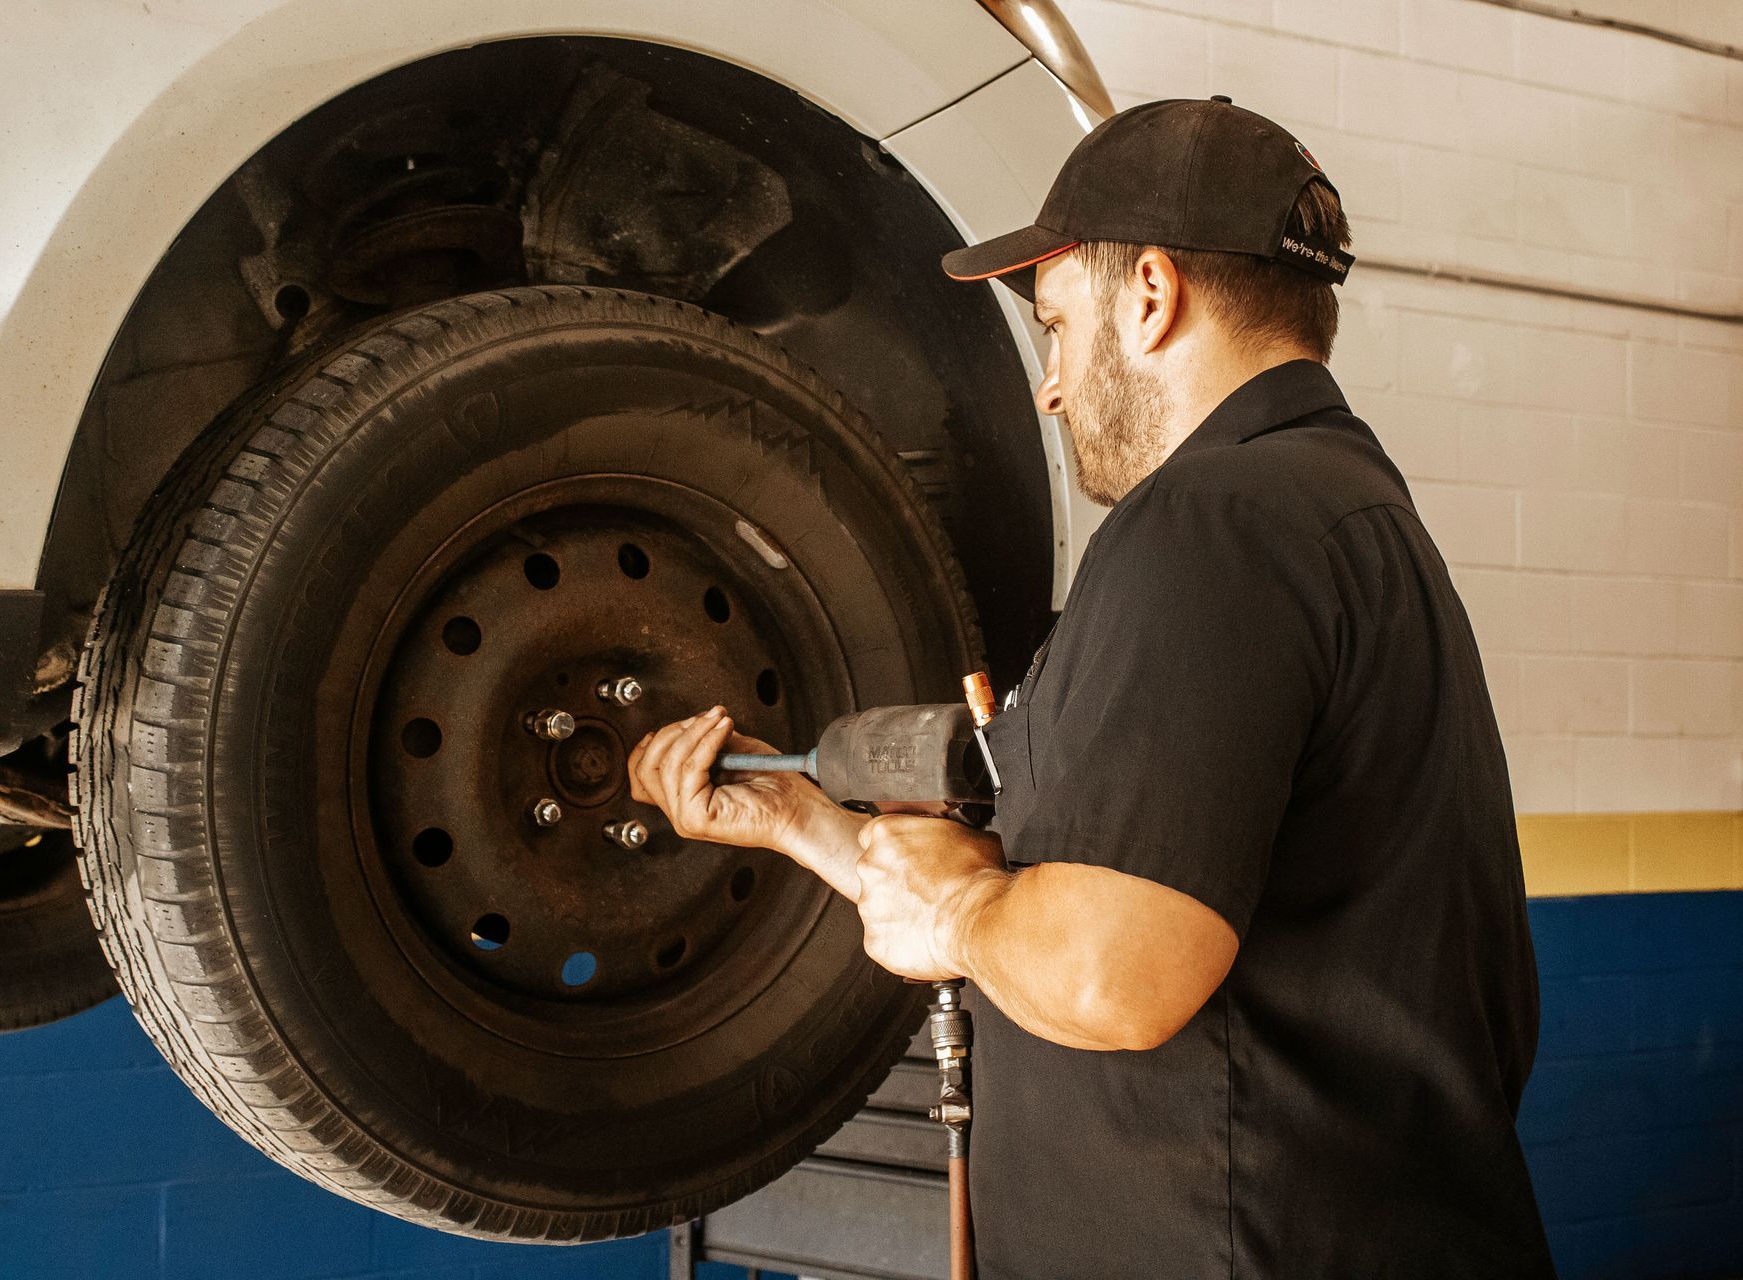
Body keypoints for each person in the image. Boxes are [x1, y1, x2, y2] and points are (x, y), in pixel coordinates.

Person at [627, 96, 1555, 1279]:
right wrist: (799, 818)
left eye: (1057, 326)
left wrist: (962, 913)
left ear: (1152, 295)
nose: (1053, 385)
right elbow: (1073, 895)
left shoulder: (1212, 524)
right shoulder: (1346, 517)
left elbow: (1113, 970)